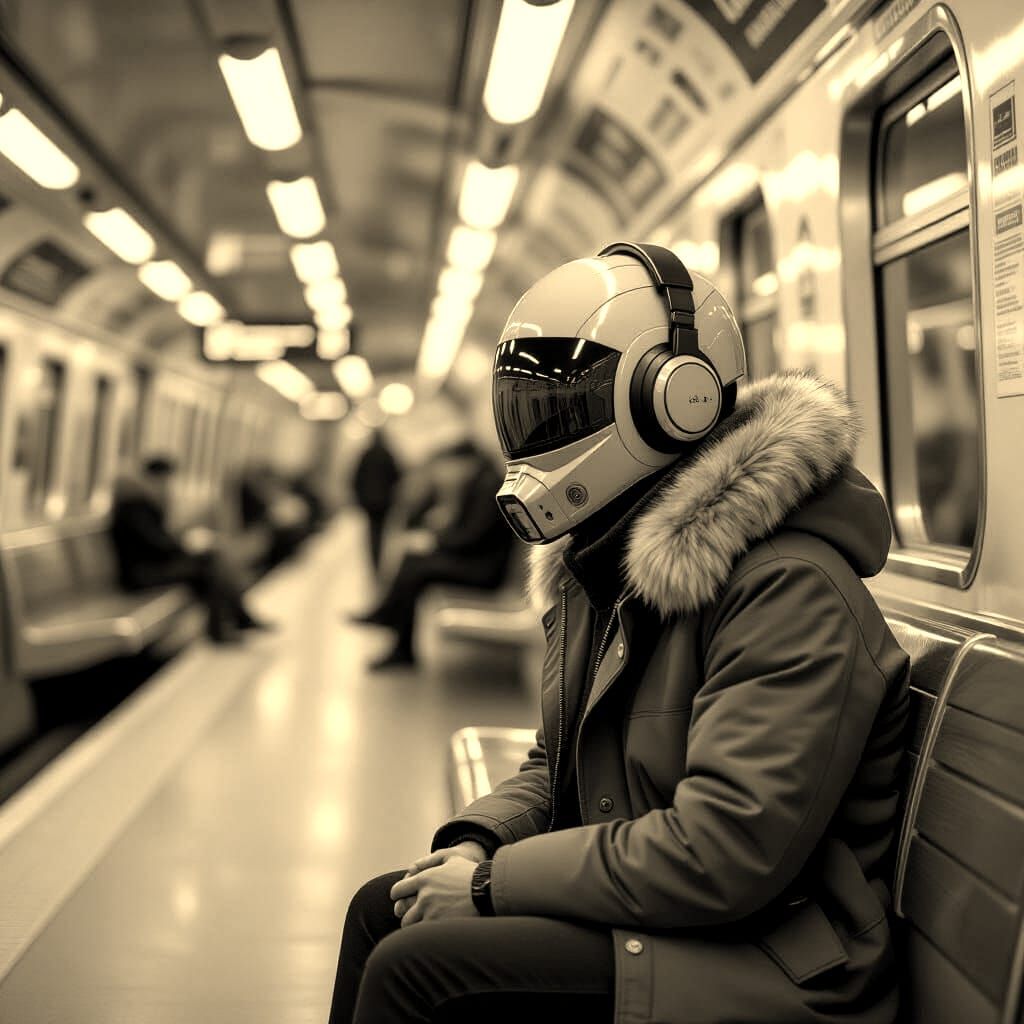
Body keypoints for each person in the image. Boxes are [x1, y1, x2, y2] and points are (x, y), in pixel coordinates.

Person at [327, 243, 910, 1024]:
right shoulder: (607, 562)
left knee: (416, 968)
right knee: (382, 909)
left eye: (559, 409)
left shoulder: (785, 587)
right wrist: (479, 842)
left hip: (780, 954)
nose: (536, 434)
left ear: (679, 399)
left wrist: (489, 887)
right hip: (687, 916)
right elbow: (557, 757)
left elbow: (724, 851)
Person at [350, 438, 514, 670]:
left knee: (419, 569)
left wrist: (435, 542)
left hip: (485, 570)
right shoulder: (480, 483)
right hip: (477, 561)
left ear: (465, 463)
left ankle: (393, 629)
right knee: (414, 560)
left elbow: (472, 537)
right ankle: (393, 627)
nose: (446, 475)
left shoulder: (488, 487)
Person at [111, 456, 270, 643]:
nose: (167, 487)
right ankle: (228, 625)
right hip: (141, 574)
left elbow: (157, 541)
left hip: (150, 567)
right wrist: (186, 545)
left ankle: (228, 624)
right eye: (165, 481)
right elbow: (155, 543)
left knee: (211, 564)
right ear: (154, 478)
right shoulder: (134, 506)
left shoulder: (141, 502)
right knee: (209, 568)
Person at [351, 428, 401, 574]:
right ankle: (378, 562)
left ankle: (373, 561)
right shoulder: (388, 455)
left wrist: (359, 497)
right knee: (380, 532)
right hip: (384, 501)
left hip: (368, 501)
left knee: (372, 532)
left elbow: (355, 478)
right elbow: (397, 476)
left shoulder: (365, 455)